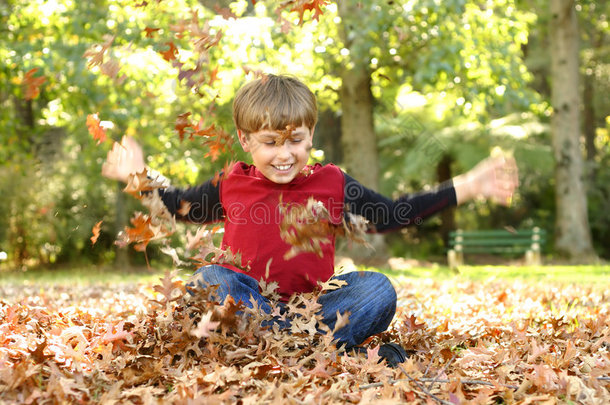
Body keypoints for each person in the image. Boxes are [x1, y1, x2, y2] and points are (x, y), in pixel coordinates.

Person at [102, 74, 518, 367]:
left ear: (311, 135)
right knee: (212, 280)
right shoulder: (231, 182)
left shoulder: (332, 182)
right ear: (246, 141)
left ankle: (288, 347)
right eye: (270, 143)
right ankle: (323, 351)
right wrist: (138, 177)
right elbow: (180, 205)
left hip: (315, 310)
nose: (284, 155)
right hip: (249, 303)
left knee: (375, 289)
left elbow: (394, 213)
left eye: (296, 141)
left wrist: (466, 185)